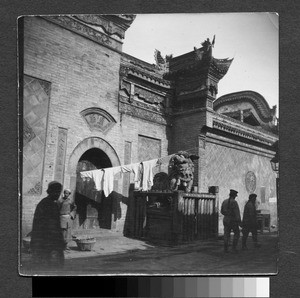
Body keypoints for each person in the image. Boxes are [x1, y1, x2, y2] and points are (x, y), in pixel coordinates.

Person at [30, 181, 65, 269]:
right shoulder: (45, 204)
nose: (58, 194)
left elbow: (56, 224)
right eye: (56, 192)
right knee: (49, 266)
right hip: (47, 241)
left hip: (52, 241)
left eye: (59, 192)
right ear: (50, 191)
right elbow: (40, 225)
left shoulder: (54, 204)